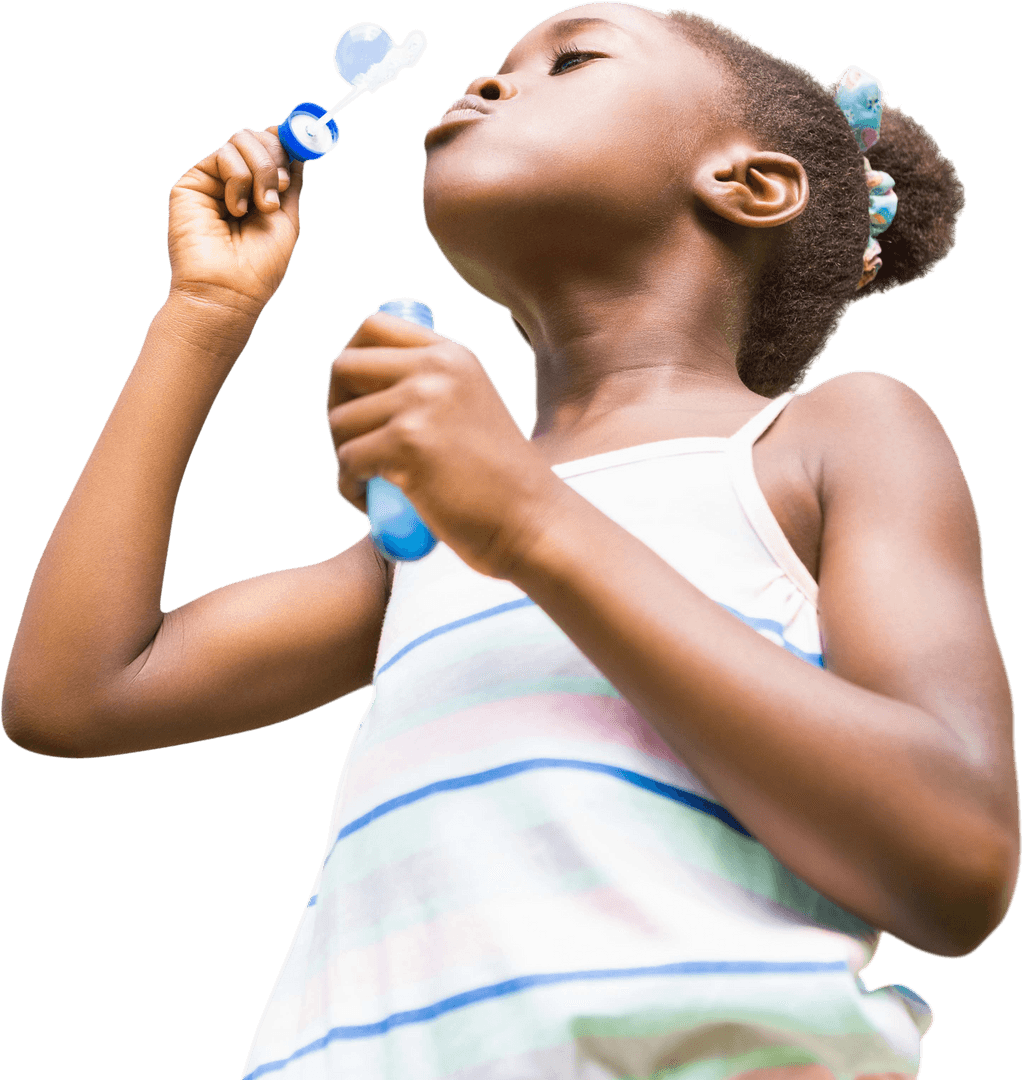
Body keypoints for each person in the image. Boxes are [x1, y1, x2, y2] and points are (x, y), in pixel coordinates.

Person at [3, 3, 1018, 1078]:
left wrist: (528, 522)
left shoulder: (828, 438)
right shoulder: (438, 531)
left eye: (571, 58)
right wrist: (205, 310)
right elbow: (77, 693)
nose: (486, 84)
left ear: (751, 183)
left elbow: (954, 864)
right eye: (495, 66)